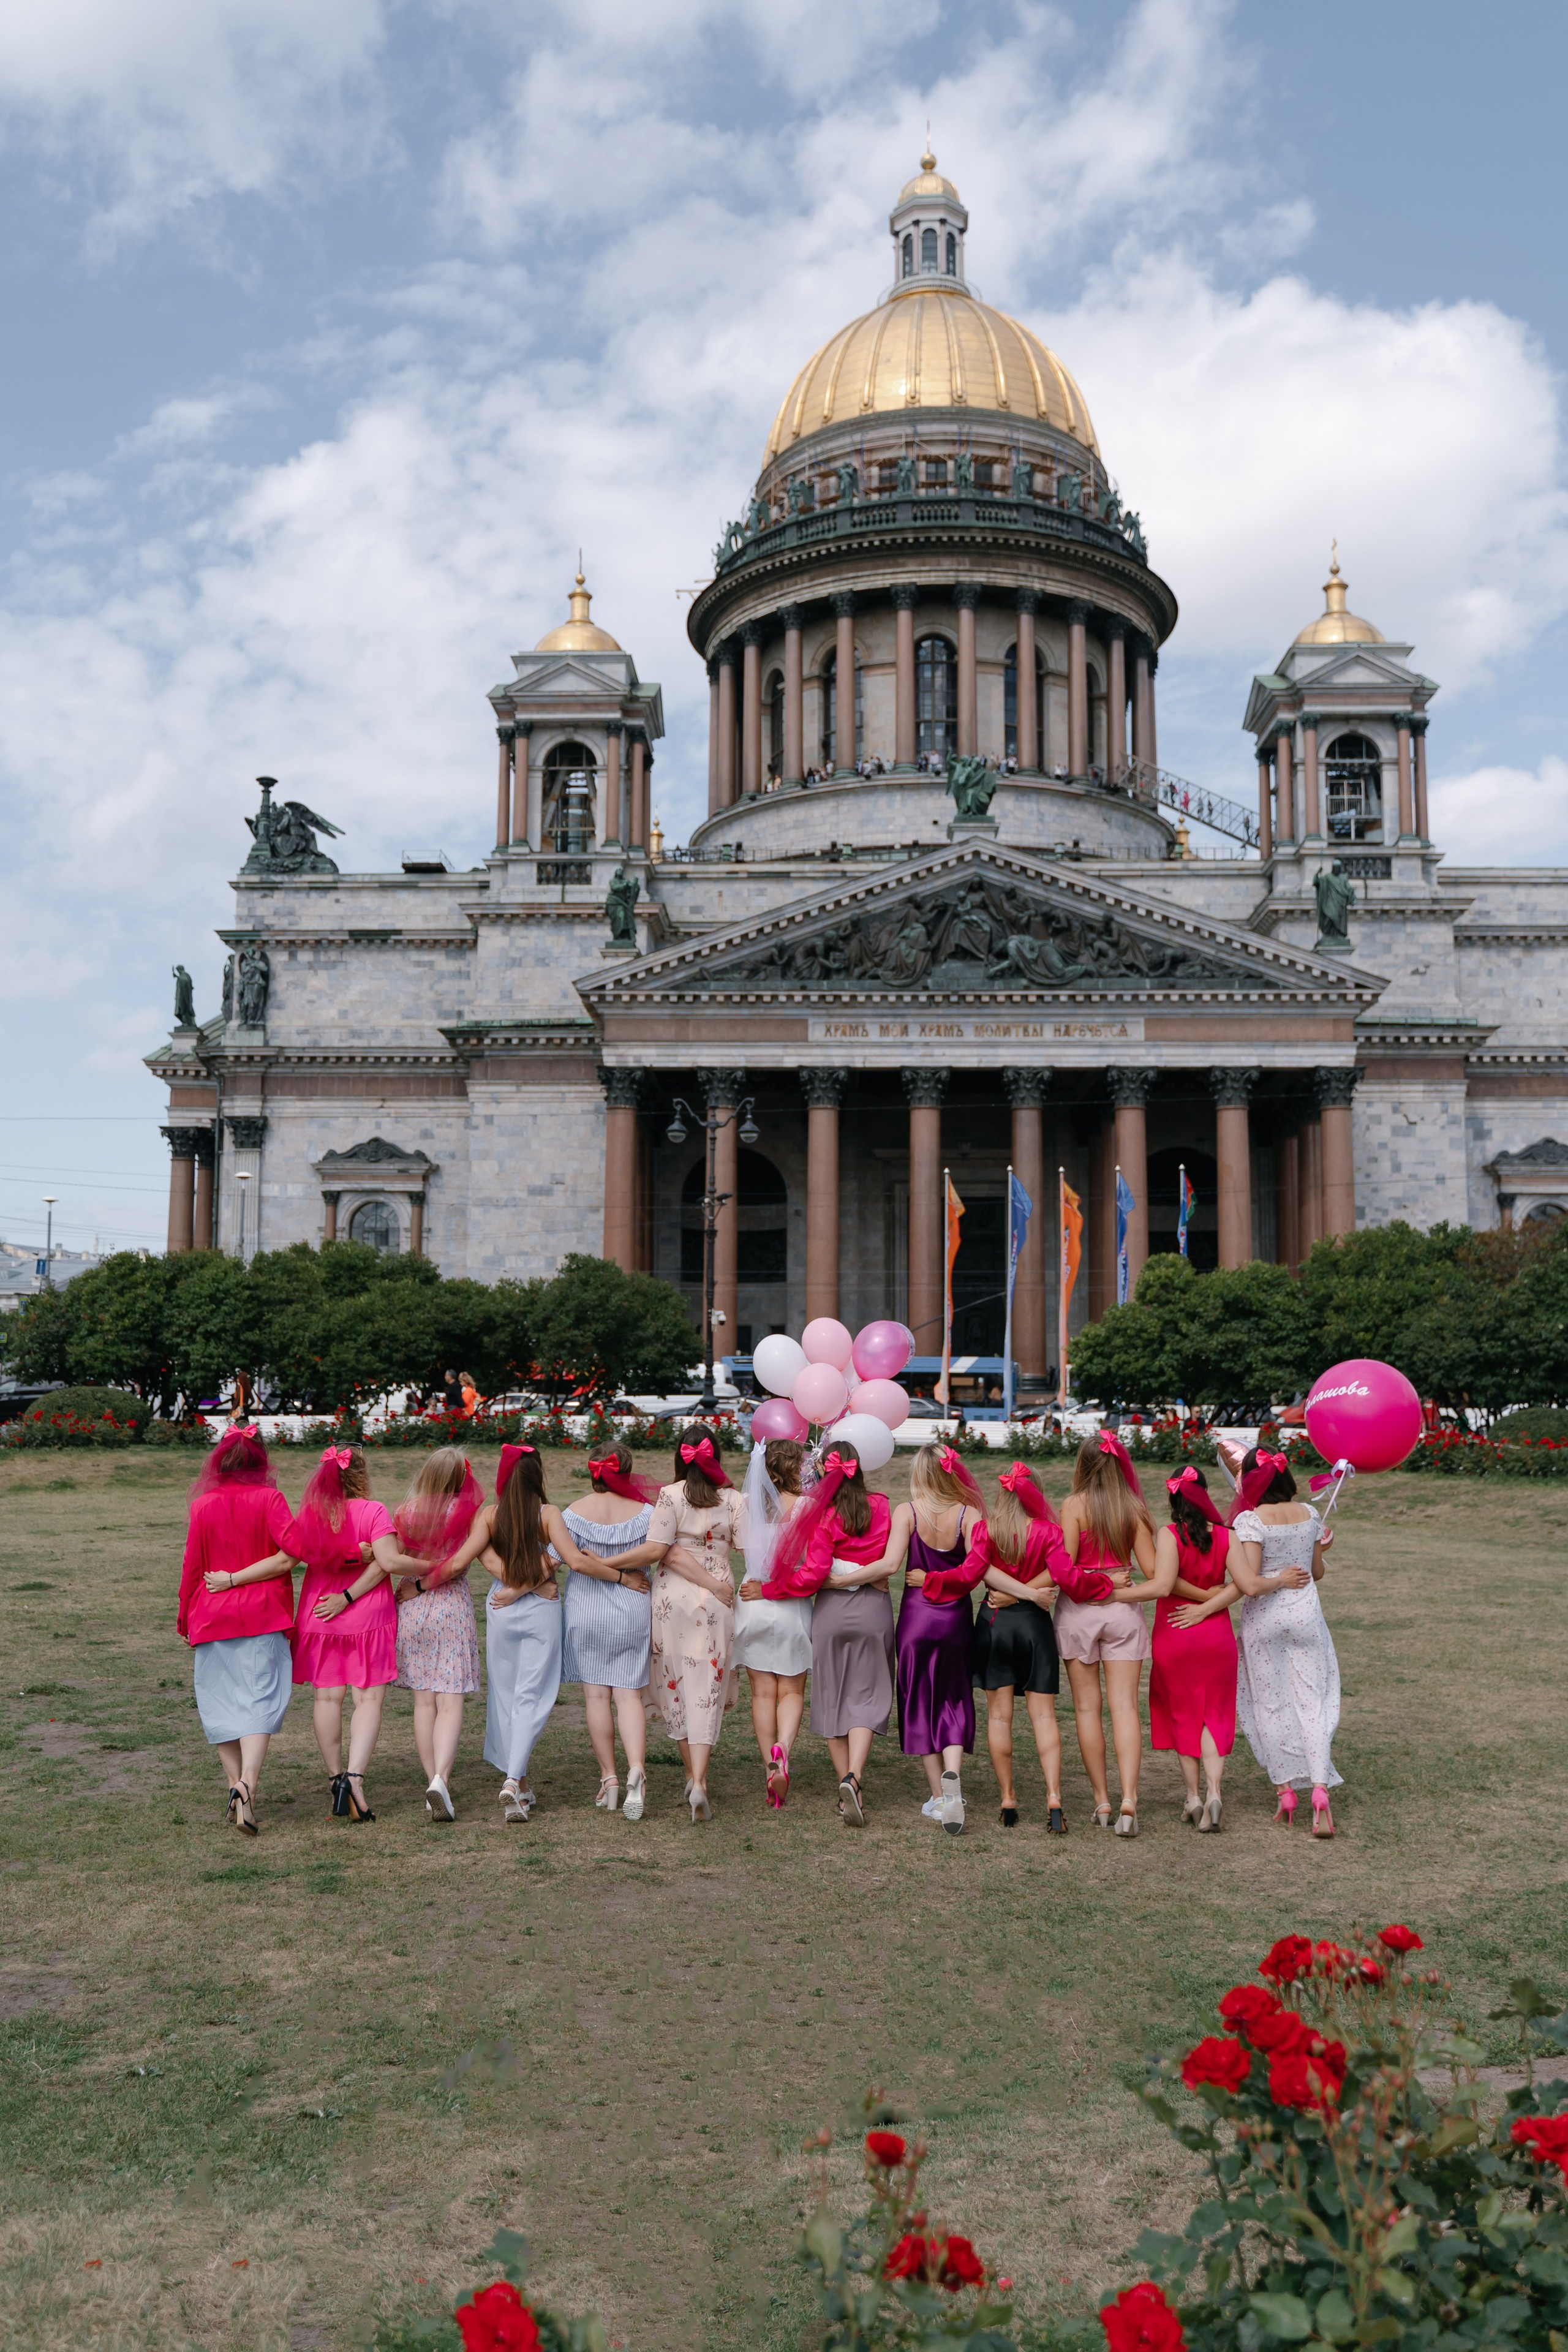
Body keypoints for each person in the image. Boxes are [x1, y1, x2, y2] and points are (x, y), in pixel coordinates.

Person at [215, 1443, 409, 1822]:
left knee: (327, 1700)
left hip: (320, 1615)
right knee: (367, 1701)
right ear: (361, 1477)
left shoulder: (310, 1516)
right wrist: (352, 1588)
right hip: (367, 1616)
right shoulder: (375, 1512)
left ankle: (336, 1778)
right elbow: (386, 1565)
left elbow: (293, 1556)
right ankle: (355, 1781)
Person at [929, 1460, 1115, 1833]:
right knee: (1044, 1717)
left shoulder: (985, 1529)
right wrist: (1103, 1583)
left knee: (999, 1717)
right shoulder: (1049, 1532)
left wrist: (933, 1581)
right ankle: (1053, 1796)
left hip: (995, 1625)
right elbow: (1066, 1576)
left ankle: (1009, 1799)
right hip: (1034, 1626)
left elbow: (969, 1574)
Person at [176, 1429, 304, 1834]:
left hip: (212, 1617)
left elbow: (192, 1568)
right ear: (260, 1462)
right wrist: (239, 1579)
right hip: (263, 1616)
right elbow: (291, 1557)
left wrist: (185, 1617)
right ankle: (247, 1784)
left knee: (220, 1706)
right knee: (258, 1703)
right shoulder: (271, 1499)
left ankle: (235, 1788)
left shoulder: (203, 1506)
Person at [761, 1441, 892, 1826]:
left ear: (823, 1473)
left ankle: (846, 1785)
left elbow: (813, 1576)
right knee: (867, 1697)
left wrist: (770, 1589)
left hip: (832, 1615)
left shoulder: (823, 1515)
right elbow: (888, 1558)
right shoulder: (883, 1505)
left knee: (833, 1696)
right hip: (873, 1609)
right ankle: (855, 1777)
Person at [1147, 1466, 1283, 1833]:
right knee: (1214, 1715)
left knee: (1183, 1715)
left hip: (1175, 1631)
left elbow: (1165, 1583)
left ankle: (1192, 1797)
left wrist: (1195, 1607)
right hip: (1216, 1637)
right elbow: (1246, 1585)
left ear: (1173, 1498)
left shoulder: (1168, 1534)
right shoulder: (1227, 1536)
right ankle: (1214, 1793)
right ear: (1205, 1495)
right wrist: (1210, 1608)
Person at [1225, 1447, 1341, 1834]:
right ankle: (1320, 1789)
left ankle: (1285, 1791)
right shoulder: (1309, 1514)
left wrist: (1277, 1580)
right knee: (1313, 1702)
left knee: (1270, 1703)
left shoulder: (1250, 1521)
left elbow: (1253, 1584)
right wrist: (1319, 1552)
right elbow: (1316, 1573)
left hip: (1265, 1621)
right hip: (1306, 1617)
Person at [876, 1444, 983, 1834]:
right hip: (955, 1618)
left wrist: (929, 1579)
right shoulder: (970, 1515)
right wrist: (946, 1580)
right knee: (955, 1697)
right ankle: (953, 1778)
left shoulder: (907, 1512)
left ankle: (939, 1796)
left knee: (919, 1699)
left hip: (917, 1619)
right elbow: (974, 1572)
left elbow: (891, 1564)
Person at [1057, 1430, 1157, 1836]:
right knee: (1125, 1709)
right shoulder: (1132, 1508)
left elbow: (1065, 1568)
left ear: (1083, 1464)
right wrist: (1118, 1586)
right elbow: (1153, 1574)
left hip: (1080, 1612)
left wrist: (1093, 1583)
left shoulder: (1073, 1506)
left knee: (1086, 1710)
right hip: (1123, 1614)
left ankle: (1102, 1801)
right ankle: (1129, 1798)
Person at [644, 1427, 745, 1822]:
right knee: (708, 1687)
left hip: (673, 1598)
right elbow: (745, 1546)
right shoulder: (735, 1500)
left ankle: (691, 1774)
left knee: (676, 1684)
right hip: (718, 1595)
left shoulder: (670, 1495)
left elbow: (661, 1549)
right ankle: (700, 1780)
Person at [558, 1444, 662, 1820]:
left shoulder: (572, 1514)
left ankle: (610, 1778)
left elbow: (556, 1560)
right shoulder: (648, 1514)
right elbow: (657, 1552)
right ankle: (637, 1770)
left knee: (596, 1697)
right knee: (628, 1697)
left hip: (586, 1612)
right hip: (632, 1608)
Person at [390, 1447, 486, 1822]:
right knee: (450, 1701)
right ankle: (440, 1779)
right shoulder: (469, 1513)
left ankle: (431, 1778)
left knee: (423, 1703)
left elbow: (394, 1555)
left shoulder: (406, 1511)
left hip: (411, 1608)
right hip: (450, 1607)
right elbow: (459, 1565)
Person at [734, 1438, 812, 1806]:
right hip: (792, 1602)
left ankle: (770, 1766)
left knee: (762, 1692)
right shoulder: (807, 1507)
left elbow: (735, 1545)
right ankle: (784, 1750)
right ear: (795, 1468)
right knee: (792, 1691)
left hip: (752, 1600)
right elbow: (814, 1560)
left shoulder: (746, 1504)